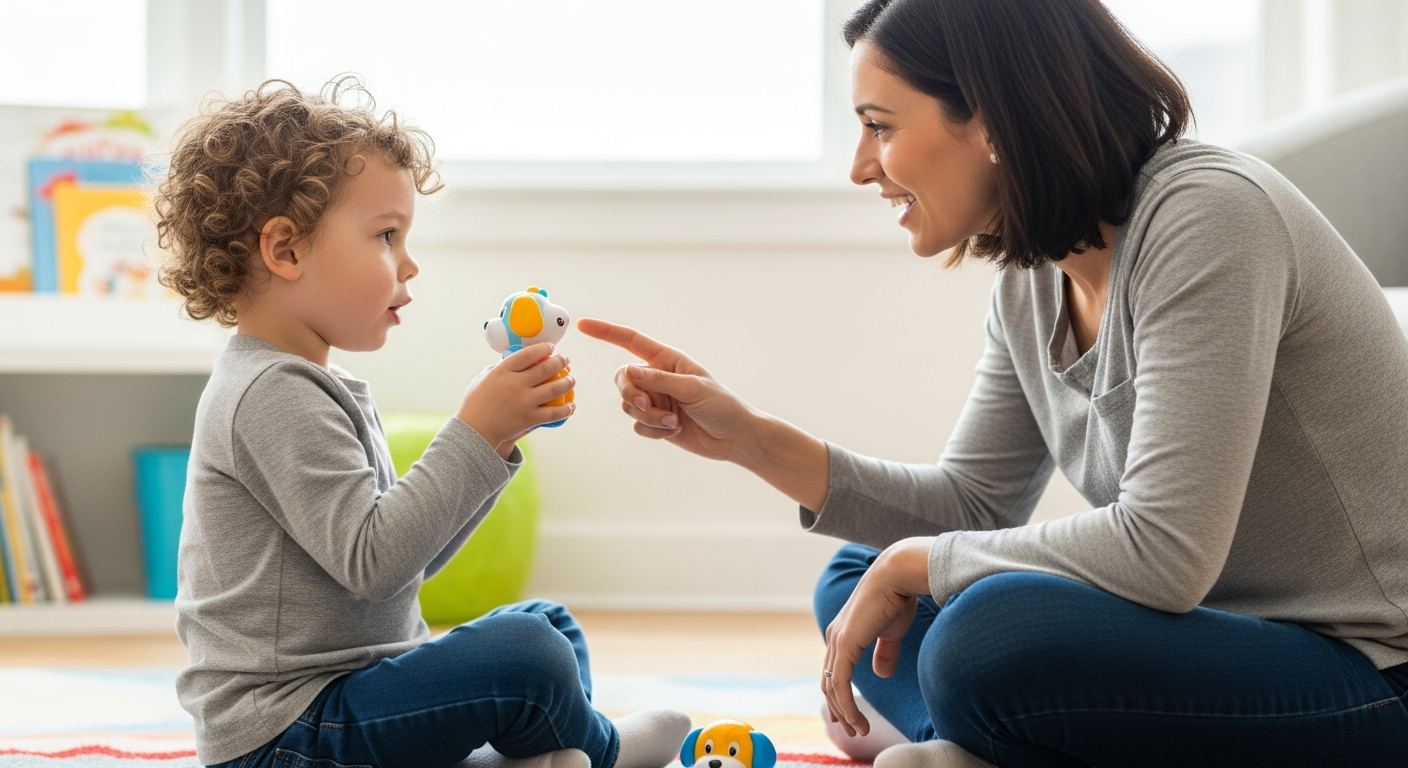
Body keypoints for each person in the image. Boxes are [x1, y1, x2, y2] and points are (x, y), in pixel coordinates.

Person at [578, 0, 1408, 765]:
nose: (862, 167)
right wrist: (753, 440)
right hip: (1209, 637)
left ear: (994, 120)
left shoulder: (1208, 219)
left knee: (985, 631)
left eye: (879, 126)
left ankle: (971, 734)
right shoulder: (1031, 273)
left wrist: (921, 564)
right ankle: (971, 745)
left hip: (1367, 670)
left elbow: (1166, 552)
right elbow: (973, 506)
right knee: (857, 574)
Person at [155, 79, 690, 768]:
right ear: (286, 250)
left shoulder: (313, 384)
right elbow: (374, 564)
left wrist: (494, 438)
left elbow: (409, 564)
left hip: (345, 700)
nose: (409, 263)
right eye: (386, 235)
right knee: (527, 656)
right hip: (286, 735)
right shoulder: (269, 393)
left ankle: (550, 752)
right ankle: (602, 751)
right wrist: (472, 432)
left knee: (542, 625)